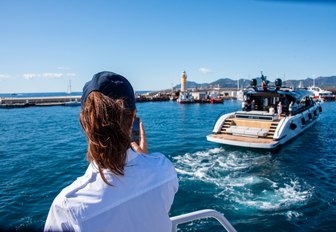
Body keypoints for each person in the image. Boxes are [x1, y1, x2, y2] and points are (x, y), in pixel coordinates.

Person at [44, 71, 178, 232]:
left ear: (86, 124)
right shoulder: (164, 169)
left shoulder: (67, 208)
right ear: (133, 117)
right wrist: (144, 159)